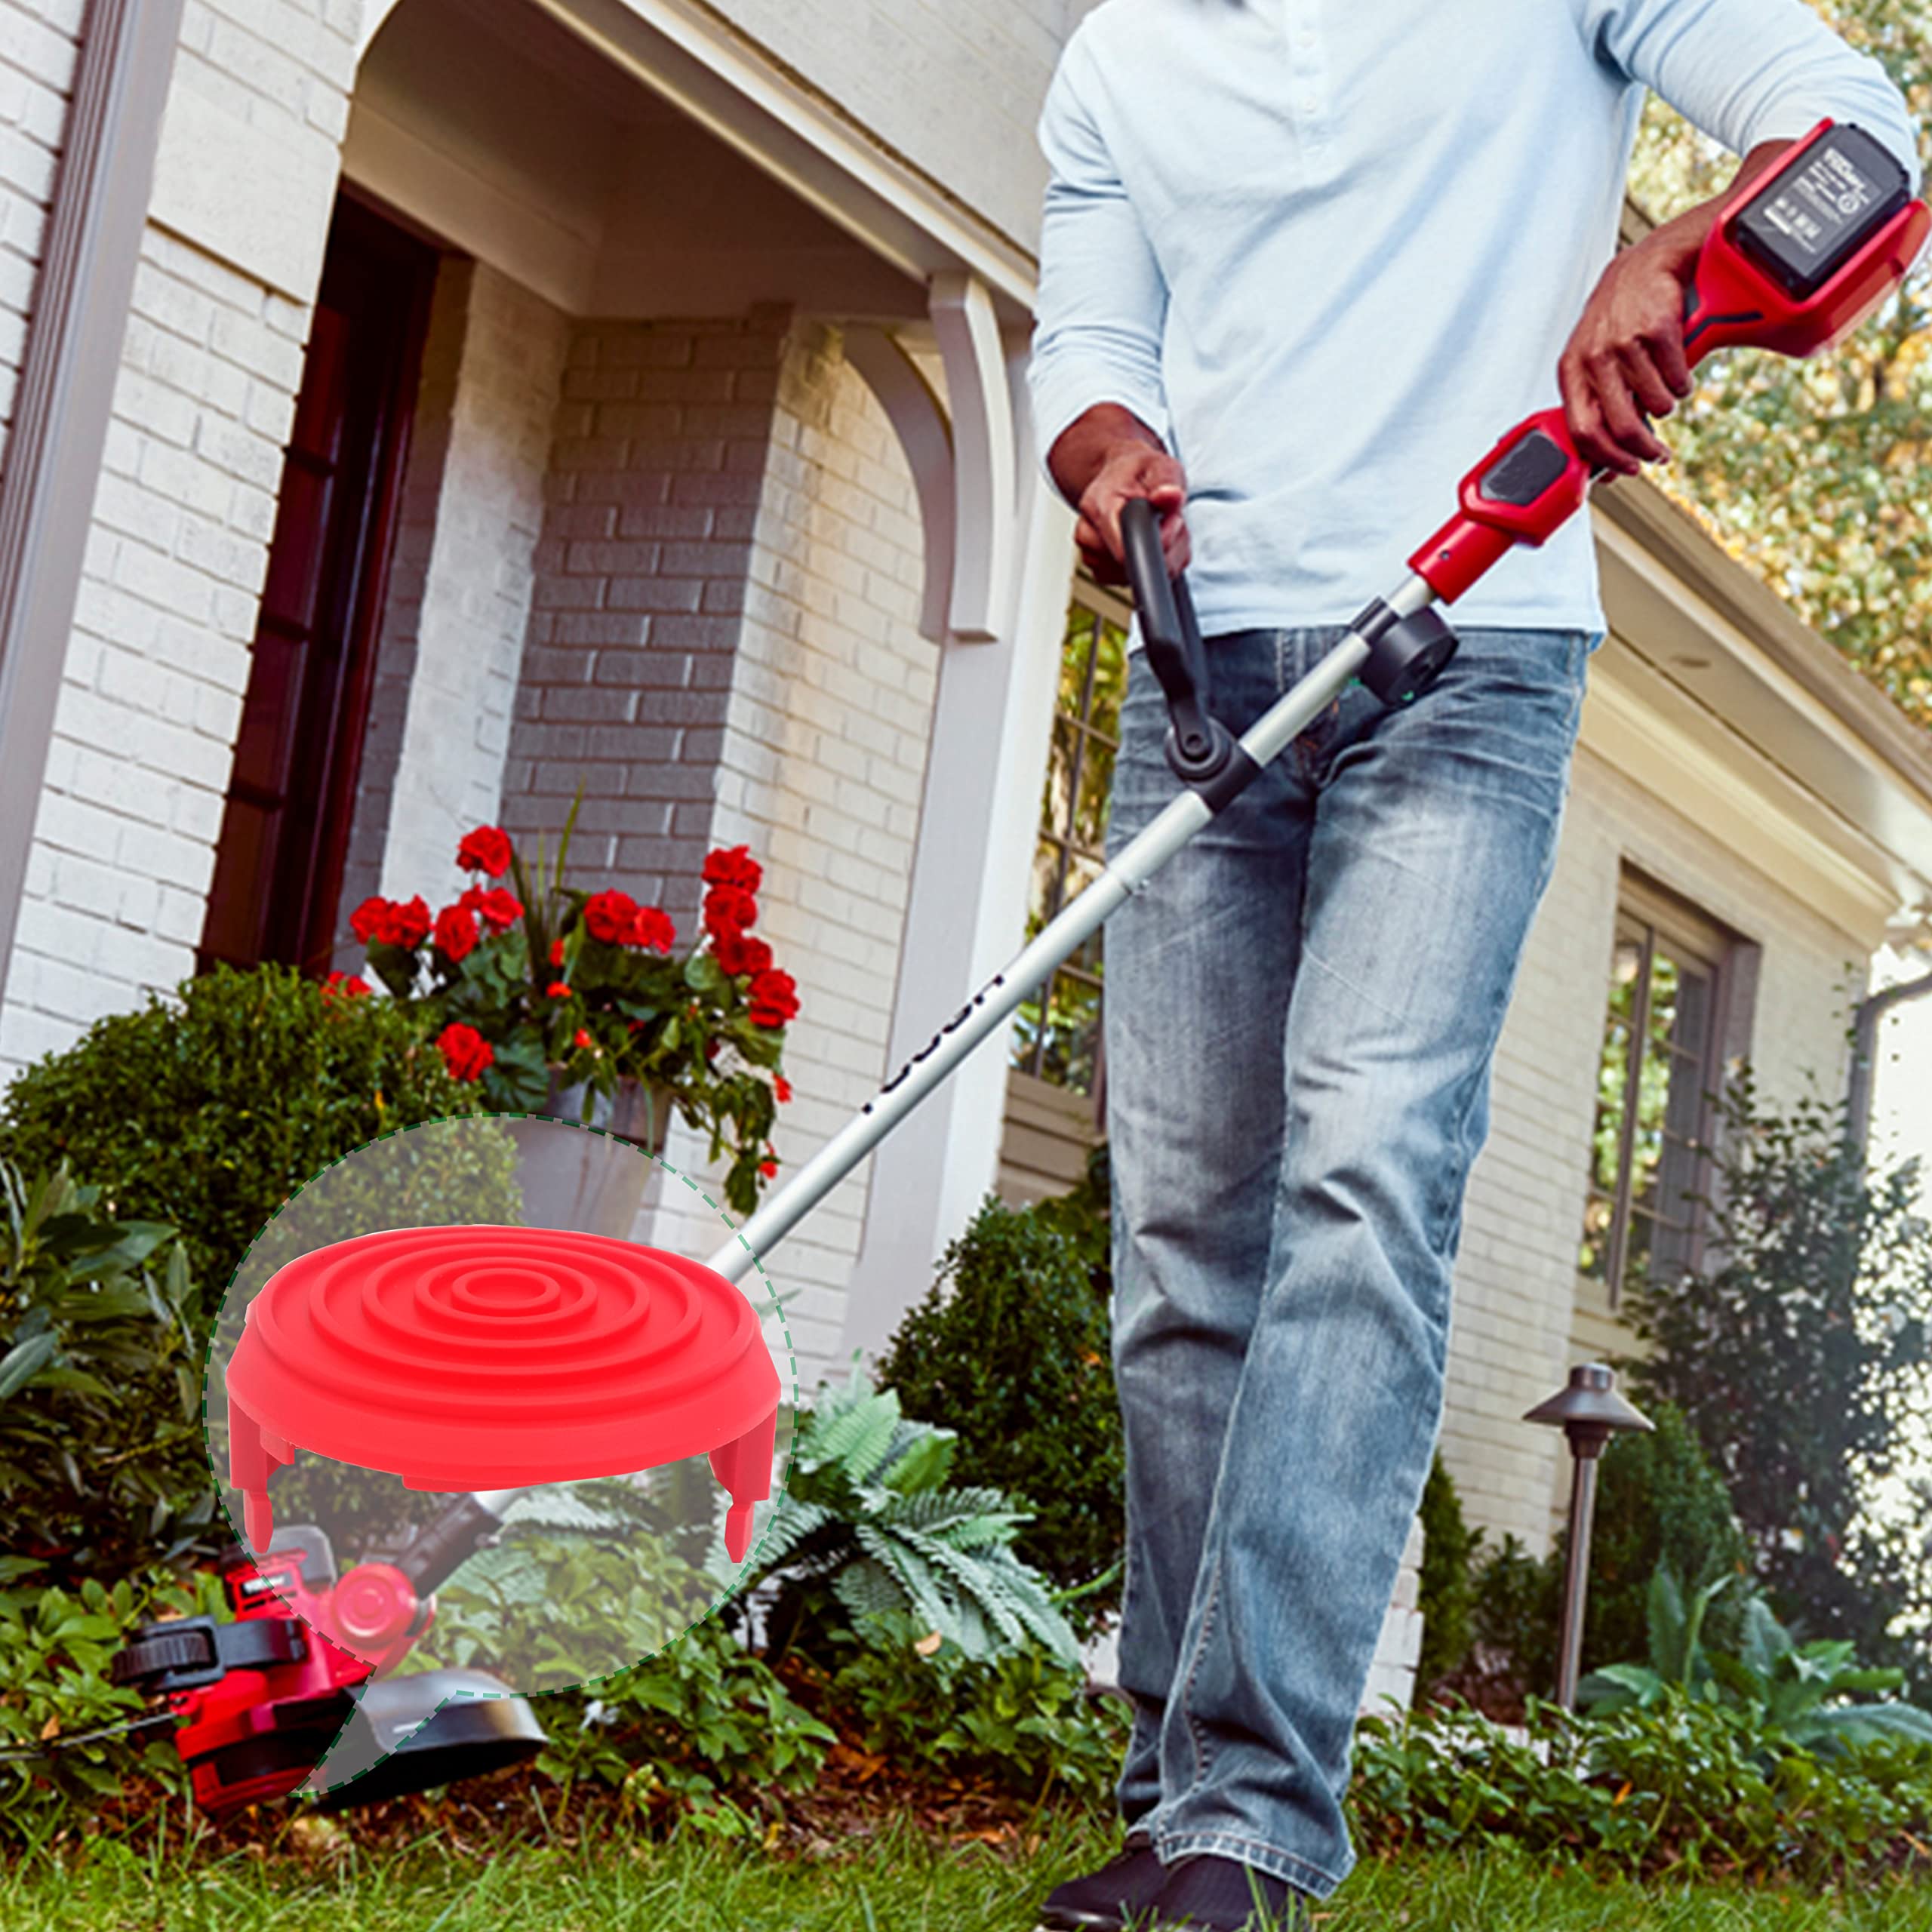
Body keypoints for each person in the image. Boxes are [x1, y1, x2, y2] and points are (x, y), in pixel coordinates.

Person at [1024, 5, 1920, 1929]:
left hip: (1469, 643)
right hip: (1205, 666)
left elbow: (1856, 133)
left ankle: (1249, 1819)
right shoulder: (1114, 56)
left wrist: (1673, 250)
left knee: (1363, 1176)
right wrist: (1109, 462)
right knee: (1179, 1240)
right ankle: (1171, 1794)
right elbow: (1089, 355)